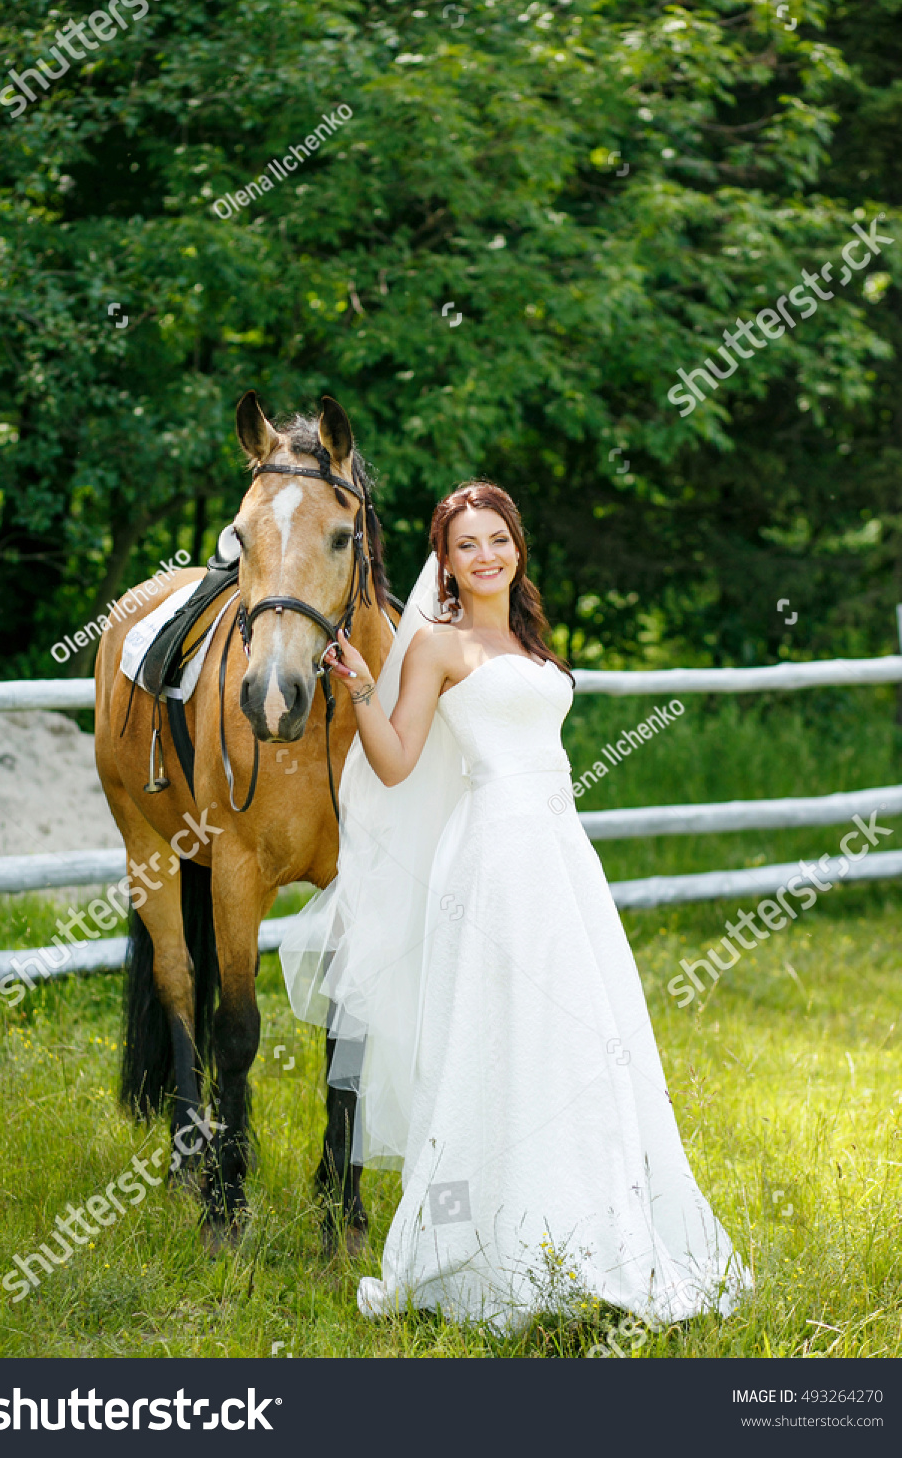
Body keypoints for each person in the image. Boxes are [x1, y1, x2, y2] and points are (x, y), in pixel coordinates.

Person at [280, 481, 750, 1331]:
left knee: (582, 1035)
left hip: (560, 854)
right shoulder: (436, 645)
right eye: (467, 545)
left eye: (498, 539)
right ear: (447, 561)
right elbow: (394, 765)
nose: (485, 554)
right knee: (497, 1038)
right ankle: (478, 1246)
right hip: (492, 859)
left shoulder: (529, 640)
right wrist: (358, 690)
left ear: (516, 547)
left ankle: (599, 1229)